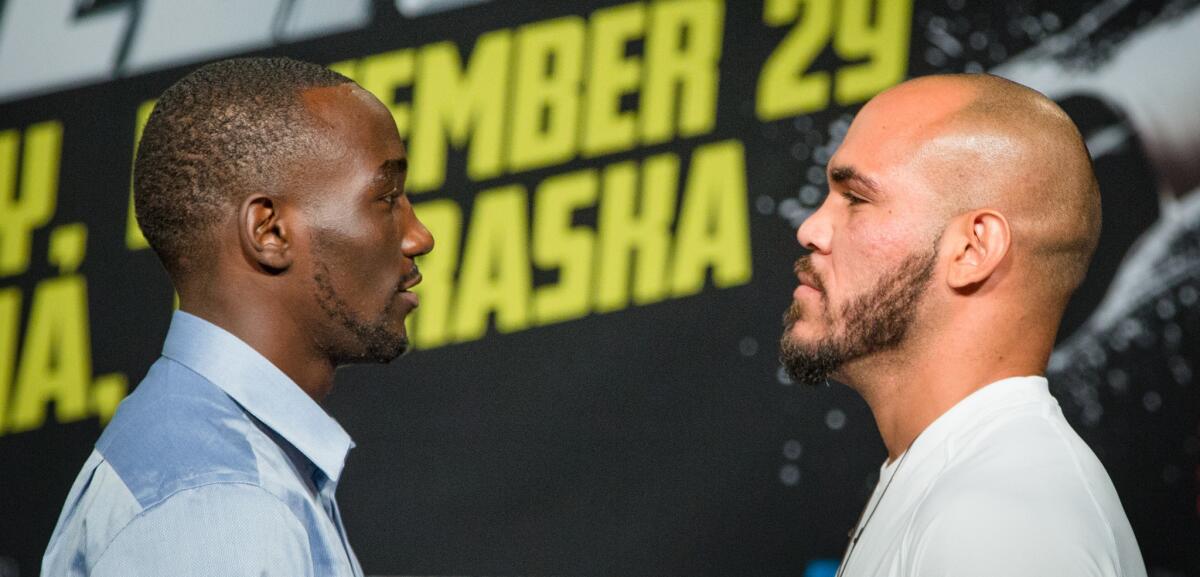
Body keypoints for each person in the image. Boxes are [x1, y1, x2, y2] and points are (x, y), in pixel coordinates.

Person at [41, 57, 433, 576]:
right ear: (269, 232)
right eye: (385, 198)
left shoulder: (216, 466)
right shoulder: (221, 507)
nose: (418, 236)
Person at [779, 73, 1146, 576]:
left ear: (973, 250)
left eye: (857, 199)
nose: (810, 229)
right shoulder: (964, 484)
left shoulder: (1001, 523)